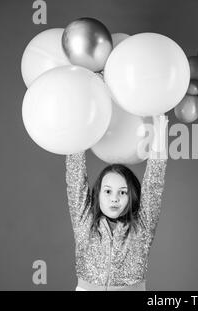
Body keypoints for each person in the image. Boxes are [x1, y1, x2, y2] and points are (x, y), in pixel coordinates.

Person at [65, 115, 168, 291]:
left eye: (122, 192)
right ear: (97, 195)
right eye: (107, 191)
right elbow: (75, 178)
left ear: (131, 196)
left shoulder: (141, 227)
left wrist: (160, 135)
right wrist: (78, 120)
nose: (114, 198)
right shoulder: (85, 223)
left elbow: (154, 184)